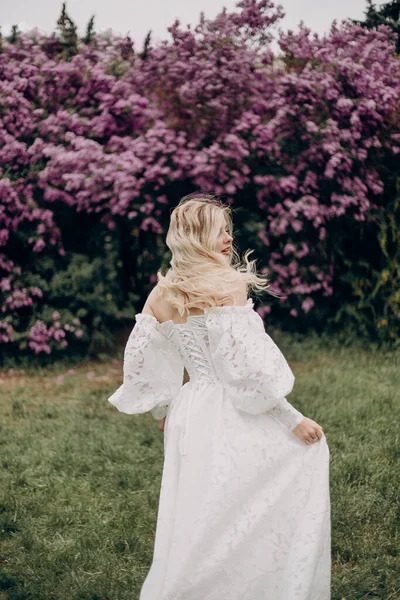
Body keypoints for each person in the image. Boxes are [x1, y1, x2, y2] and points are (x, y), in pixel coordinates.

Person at [108, 193, 331, 600]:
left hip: (190, 411)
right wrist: (290, 418)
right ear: (194, 237)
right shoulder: (228, 284)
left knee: (201, 506)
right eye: (218, 231)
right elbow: (245, 370)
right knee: (237, 504)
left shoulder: (161, 294)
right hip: (230, 406)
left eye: (228, 229)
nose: (228, 238)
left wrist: (163, 407)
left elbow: (143, 358)